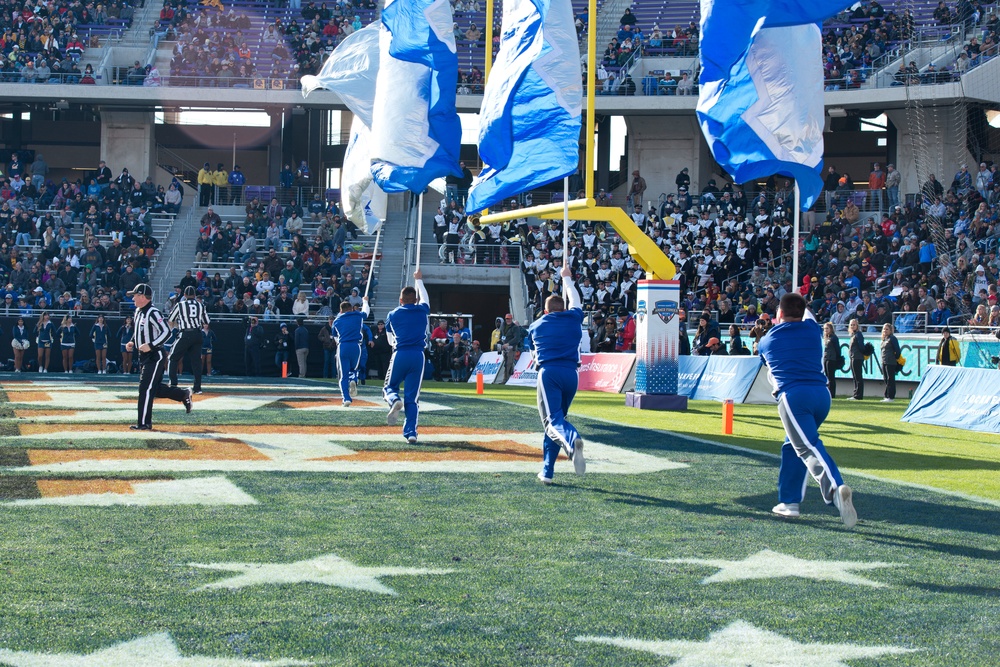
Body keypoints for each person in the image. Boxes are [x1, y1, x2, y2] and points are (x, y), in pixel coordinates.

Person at [758, 292, 857, 527]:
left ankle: (835, 489)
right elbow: (807, 315)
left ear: (780, 313)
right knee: (792, 445)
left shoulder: (767, 340)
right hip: (822, 395)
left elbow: (765, 361)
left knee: (807, 446)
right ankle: (789, 502)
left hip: (794, 397)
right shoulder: (813, 330)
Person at [528, 265, 586, 484]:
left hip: (549, 372)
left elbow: (533, 353)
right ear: (564, 309)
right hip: (572, 374)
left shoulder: (535, 326)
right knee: (557, 422)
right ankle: (547, 471)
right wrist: (567, 279)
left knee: (552, 423)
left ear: (546, 311)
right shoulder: (574, 318)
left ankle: (572, 443)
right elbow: (576, 300)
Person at [125, 284, 192, 430]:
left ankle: (144, 423)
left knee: (145, 388)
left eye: (135, 295)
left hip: (154, 356)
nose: (133, 298)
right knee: (154, 389)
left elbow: (166, 332)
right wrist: (132, 341)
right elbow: (139, 331)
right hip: (144, 356)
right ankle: (183, 394)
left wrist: (151, 345)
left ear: (143, 297)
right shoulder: (138, 311)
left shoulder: (153, 312)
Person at [384, 270, 430, 443]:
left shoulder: (392, 314)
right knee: (412, 397)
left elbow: (390, 340)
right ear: (415, 299)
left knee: (389, 387)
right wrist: (419, 280)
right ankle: (411, 432)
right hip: (418, 356)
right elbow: (426, 299)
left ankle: (394, 400)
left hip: (400, 353)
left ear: (400, 300)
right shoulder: (422, 310)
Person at [168, 286, 210, 393]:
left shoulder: (180, 305)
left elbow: (171, 319)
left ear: (184, 295)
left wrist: (177, 325)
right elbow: (206, 321)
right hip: (197, 334)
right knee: (197, 362)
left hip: (185, 333)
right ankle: (197, 387)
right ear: (195, 295)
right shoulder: (200, 305)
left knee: (173, 358)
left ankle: (173, 384)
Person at [333, 298, 371, 406]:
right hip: (356, 346)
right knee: (353, 369)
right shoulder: (357, 316)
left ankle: (346, 398)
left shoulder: (337, 320)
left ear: (341, 310)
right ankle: (354, 378)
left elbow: (335, 336)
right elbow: (366, 312)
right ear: (351, 309)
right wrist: (365, 302)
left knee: (343, 375)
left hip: (343, 346)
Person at [880, 323, 901, 402]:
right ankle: (887, 395)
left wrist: (895, 358)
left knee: (890, 379)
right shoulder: (884, 339)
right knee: (885, 378)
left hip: (890, 361)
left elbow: (897, 350)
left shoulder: (892, 338)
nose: (885, 331)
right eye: (884, 329)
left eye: (887, 329)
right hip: (884, 361)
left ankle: (891, 396)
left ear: (891, 330)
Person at [847, 318, 865, 400]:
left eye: (854, 325)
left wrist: (861, 353)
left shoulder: (858, 334)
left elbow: (861, 346)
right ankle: (855, 393)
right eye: (851, 325)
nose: (852, 326)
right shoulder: (853, 334)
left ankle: (859, 395)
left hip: (857, 357)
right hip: (853, 357)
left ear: (857, 326)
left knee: (858, 376)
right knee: (854, 376)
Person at [822, 322, 842, 397]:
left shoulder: (834, 337)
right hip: (826, 358)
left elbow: (838, 349)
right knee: (827, 376)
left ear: (831, 329)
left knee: (831, 376)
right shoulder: (826, 337)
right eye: (824, 328)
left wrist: (838, 358)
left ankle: (832, 393)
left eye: (827, 328)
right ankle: (828, 391)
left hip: (831, 358)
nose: (825, 330)